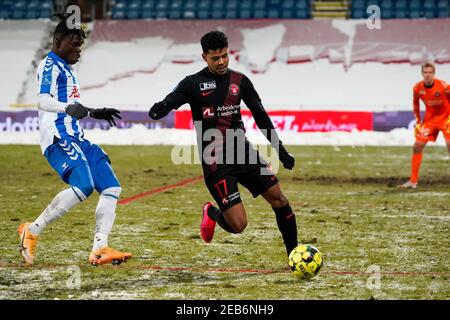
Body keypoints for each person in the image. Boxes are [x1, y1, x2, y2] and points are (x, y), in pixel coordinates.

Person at [149, 31, 298, 258]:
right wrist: (162, 106)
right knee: (238, 225)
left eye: (225, 56)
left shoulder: (240, 81)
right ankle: (212, 213)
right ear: (204, 57)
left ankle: (294, 256)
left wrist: (280, 150)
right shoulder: (193, 84)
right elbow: (172, 99)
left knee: (279, 199)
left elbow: (260, 117)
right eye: (215, 58)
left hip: (244, 153)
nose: (221, 62)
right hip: (216, 162)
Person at [18, 14, 132, 266]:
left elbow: (70, 106)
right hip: (59, 138)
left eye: (81, 46)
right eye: (74, 45)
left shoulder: (67, 69)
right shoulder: (49, 65)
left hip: (76, 137)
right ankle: (33, 230)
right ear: (58, 41)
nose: (79, 51)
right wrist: (69, 108)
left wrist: (93, 112)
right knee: (84, 185)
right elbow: (43, 101)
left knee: (111, 187)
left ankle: (100, 248)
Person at [400, 62, 450, 189]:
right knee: (417, 146)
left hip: (446, 119)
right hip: (430, 121)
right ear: (422, 73)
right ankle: (413, 181)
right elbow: (416, 104)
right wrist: (417, 121)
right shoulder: (417, 88)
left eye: (430, 72)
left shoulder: (444, 86)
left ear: (434, 74)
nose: (428, 75)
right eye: (425, 72)